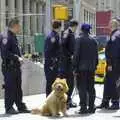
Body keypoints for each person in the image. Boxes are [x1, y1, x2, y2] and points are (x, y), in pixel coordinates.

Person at [0, 18, 30, 114]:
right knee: (10, 88)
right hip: (9, 67)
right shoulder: (5, 36)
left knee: (17, 88)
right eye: (19, 26)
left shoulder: (13, 36)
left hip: (16, 67)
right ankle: (9, 107)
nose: (20, 28)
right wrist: (17, 57)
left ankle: (20, 106)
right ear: (15, 26)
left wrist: (20, 57)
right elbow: (5, 53)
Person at [73, 23, 98, 114]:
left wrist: (75, 67)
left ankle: (83, 107)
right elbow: (96, 56)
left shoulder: (79, 40)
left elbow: (76, 55)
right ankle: (91, 107)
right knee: (91, 88)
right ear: (89, 31)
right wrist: (95, 66)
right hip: (91, 68)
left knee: (82, 87)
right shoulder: (94, 40)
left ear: (82, 30)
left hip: (81, 68)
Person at [97, 19, 120, 110]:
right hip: (113, 63)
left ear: (113, 25)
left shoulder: (116, 35)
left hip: (114, 64)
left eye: (110, 24)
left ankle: (115, 102)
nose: (108, 25)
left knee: (113, 83)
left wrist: (110, 63)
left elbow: (114, 52)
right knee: (107, 82)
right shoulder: (114, 34)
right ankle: (105, 101)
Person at [60, 20, 78, 109]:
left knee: (70, 83)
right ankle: (66, 101)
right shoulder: (67, 33)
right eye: (76, 27)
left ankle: (68, 100)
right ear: (74, 26)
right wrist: (69, 55)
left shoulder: (70, 33)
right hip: (66, 63)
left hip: (68, 63)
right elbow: (62, 46)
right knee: (68, 83)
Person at [44, 20, 61, 97]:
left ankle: (51, 100)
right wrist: (51, 63)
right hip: (51, 64)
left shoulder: (53, 35)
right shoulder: (53, 37)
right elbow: (48, 51)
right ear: (59, 27)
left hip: (52, 63)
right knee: (51, 83)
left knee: (52, 83)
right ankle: (49, 100)